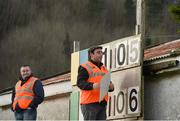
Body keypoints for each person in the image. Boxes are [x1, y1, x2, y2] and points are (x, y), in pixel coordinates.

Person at [77, 46, 114, 120]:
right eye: (98, 52)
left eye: (101, 52)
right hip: (89, 104)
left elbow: (108, 85)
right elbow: (80, 83)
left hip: (102, 104)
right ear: (91, 54)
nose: (101, 54)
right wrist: (93, 86)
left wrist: (111, 87)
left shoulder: (104, 69)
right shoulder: (85, 67)